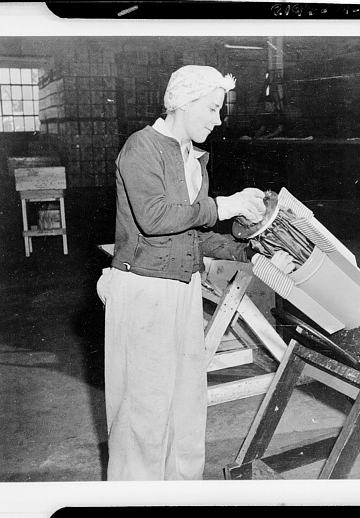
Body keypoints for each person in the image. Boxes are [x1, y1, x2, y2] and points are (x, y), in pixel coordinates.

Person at [96, 65, 266, 481]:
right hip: (145, 292)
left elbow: (193, 233)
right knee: (143, 411)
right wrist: (225, 206)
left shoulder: (195, 160)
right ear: (183, 102)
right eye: (211, 108)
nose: (218, 120)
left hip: (183, 289)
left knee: (185, 405)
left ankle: (182, 492)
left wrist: (247, 250)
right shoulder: (142, 147)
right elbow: (154, 218)